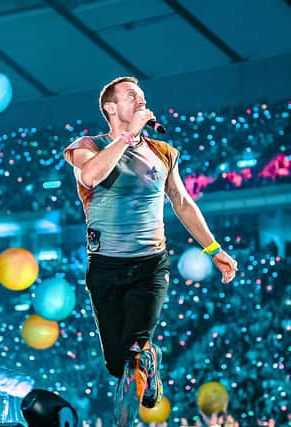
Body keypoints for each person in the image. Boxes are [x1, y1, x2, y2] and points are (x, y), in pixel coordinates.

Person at [63, 76, 238, 426]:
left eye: (142, 97)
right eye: (131, 97)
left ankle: (145, 354)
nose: (141, 102)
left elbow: (183, 203)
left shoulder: (163, 152)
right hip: (105, 267)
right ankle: (142, 361)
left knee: (134, 343)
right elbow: (92, 176)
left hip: (150, 265)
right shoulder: (87, 146)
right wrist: (127, 137)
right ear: (111, 108)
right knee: (116, 365)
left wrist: (213, 248)